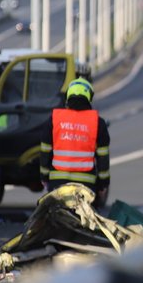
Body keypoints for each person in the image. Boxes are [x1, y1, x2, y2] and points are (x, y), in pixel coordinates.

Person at [39, 78, 110, 208]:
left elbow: (45, 151)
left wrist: (44, 177)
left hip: (57, 183)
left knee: (54, 218)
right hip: (86, 185)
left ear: (68, 96)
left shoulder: (54, 119)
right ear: (89, 97)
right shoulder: (97, 123)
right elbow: (103, 159)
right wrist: (103, 184)